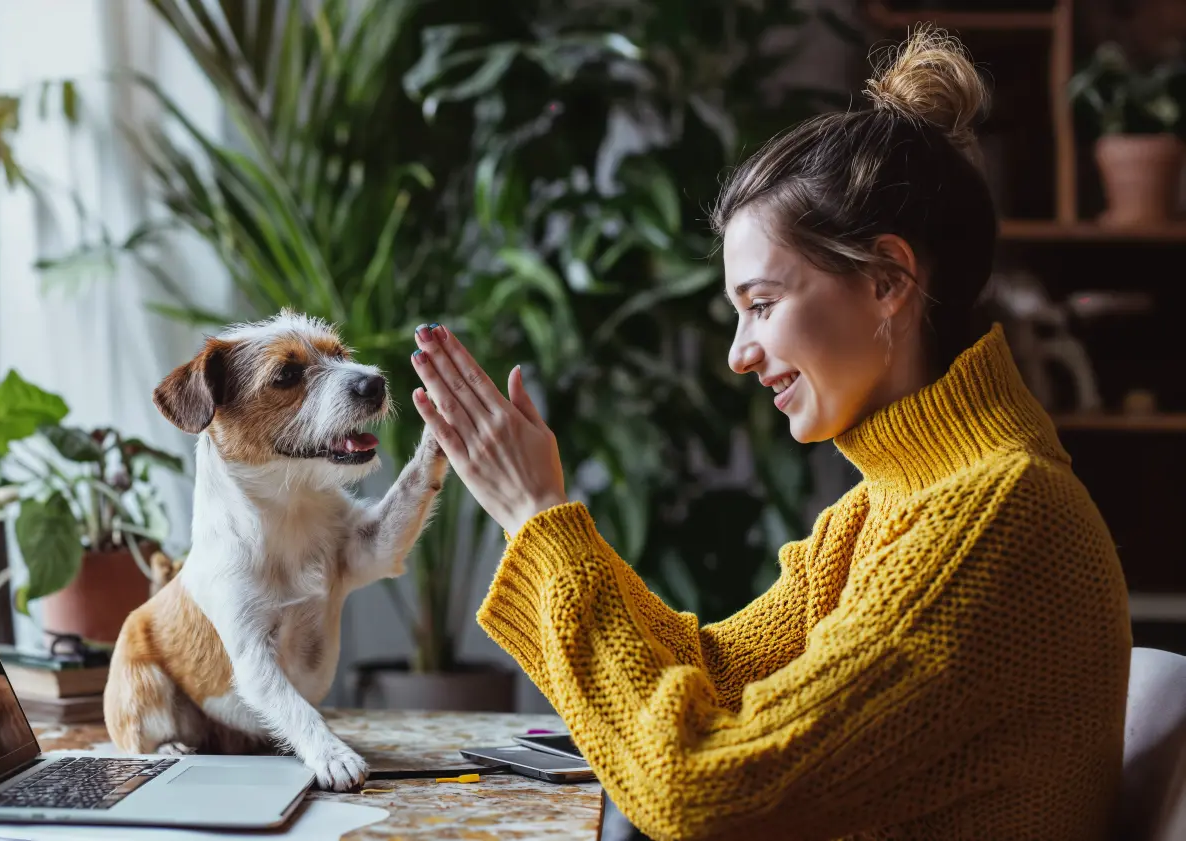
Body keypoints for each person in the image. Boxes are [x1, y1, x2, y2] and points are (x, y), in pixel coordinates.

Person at [407, 26, 1131, 841]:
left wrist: (542, 521)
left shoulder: (996, 518)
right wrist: (537, 518)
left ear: (888, 279)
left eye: (761, 303)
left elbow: (699, 787)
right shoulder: (895, 505)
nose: (739, 353)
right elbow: (711, 671)